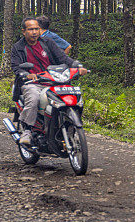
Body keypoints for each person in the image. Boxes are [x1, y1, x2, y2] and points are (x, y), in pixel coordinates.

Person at [10, 17, 86, 146]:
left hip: (54, 81)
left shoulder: (47, 42)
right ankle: (27, 130)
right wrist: (26, 75)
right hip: (33, 83)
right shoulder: (18, 47)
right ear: (24, 31)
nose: (34, 32)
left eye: (36, 29)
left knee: (74, 96)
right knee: (33, 98)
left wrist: (76, 66)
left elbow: (63, 57)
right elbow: (16, 67)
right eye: (31, 29)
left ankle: (70, 124)